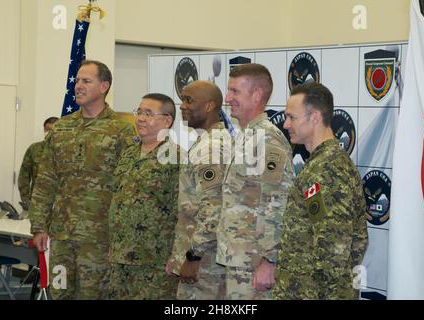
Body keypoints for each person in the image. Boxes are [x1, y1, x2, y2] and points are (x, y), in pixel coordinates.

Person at [28, 60, 136, 299]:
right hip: (61, 237)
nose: (78, 86)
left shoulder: (121, 130)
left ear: (104, 86)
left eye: (86, 81)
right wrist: (39, 227)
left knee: (94, 296)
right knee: (59, 293)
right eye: (77, 80)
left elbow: (128, 188)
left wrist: (120, 238)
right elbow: (45, 180)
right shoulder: (61, 128)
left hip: (100, 239)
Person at [273, 82, 368, 300]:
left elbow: (332, 252)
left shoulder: (328, 169)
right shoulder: (320, 164)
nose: (286, 124)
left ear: (315, 117)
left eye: (292, 117)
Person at [218, 63, 294, 299]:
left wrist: (270, 260)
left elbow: (278, 202)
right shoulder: (246, 136)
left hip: (254, 263)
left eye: (235, 92)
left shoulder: (267, 139)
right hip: (238, 259)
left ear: (257, 94)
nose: (227, 98)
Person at [108, 93, 179, 300]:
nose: (140, 118)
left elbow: (183, 211)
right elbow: (117, 200)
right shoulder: (128, 154)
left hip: (154, 261)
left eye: (148, 113)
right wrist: (112, 245)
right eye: (139, 112)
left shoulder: (177, 158)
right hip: (120, 257)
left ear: (167, 121)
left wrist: (176, 256)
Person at [166, 80, 229, 299]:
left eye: (189, 100)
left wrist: (193, 257)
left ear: (210, 106)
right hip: (200, 258)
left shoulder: (211, 148)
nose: (182, 106)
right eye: (182, 99)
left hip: (205, 264)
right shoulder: (206, 142)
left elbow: (212, 209)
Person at [18, 117, 58, 210]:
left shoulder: (67, 151)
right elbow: (24, 176)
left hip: (60, 203)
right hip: (37, 201)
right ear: (44, 130)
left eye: (54, 130)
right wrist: (26, 199)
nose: (50, 133)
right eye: (48, 130)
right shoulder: (34, 149)